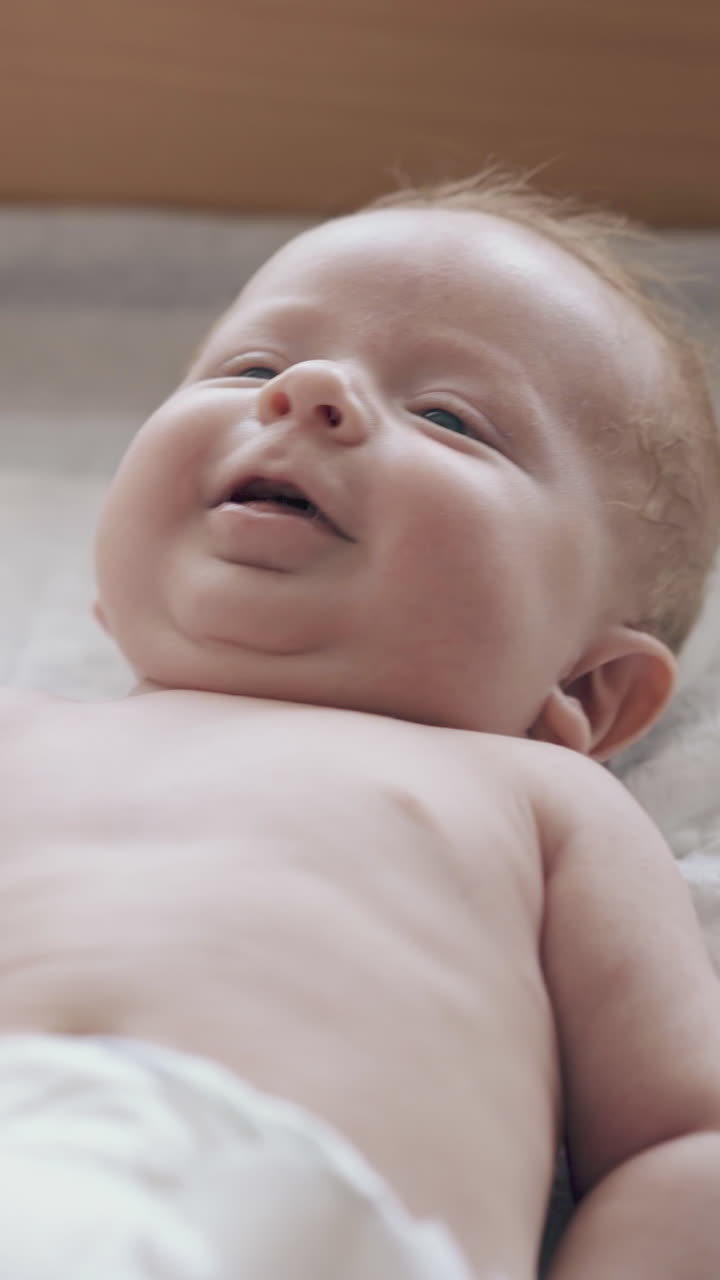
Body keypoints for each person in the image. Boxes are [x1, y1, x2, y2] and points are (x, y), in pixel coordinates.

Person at [1, 170, 720, 1280]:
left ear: (586, 690)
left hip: (252, 1209)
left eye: (449, 416)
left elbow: (688, 1142)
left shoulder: (538, 798)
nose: (310, 390)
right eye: (255, 366)